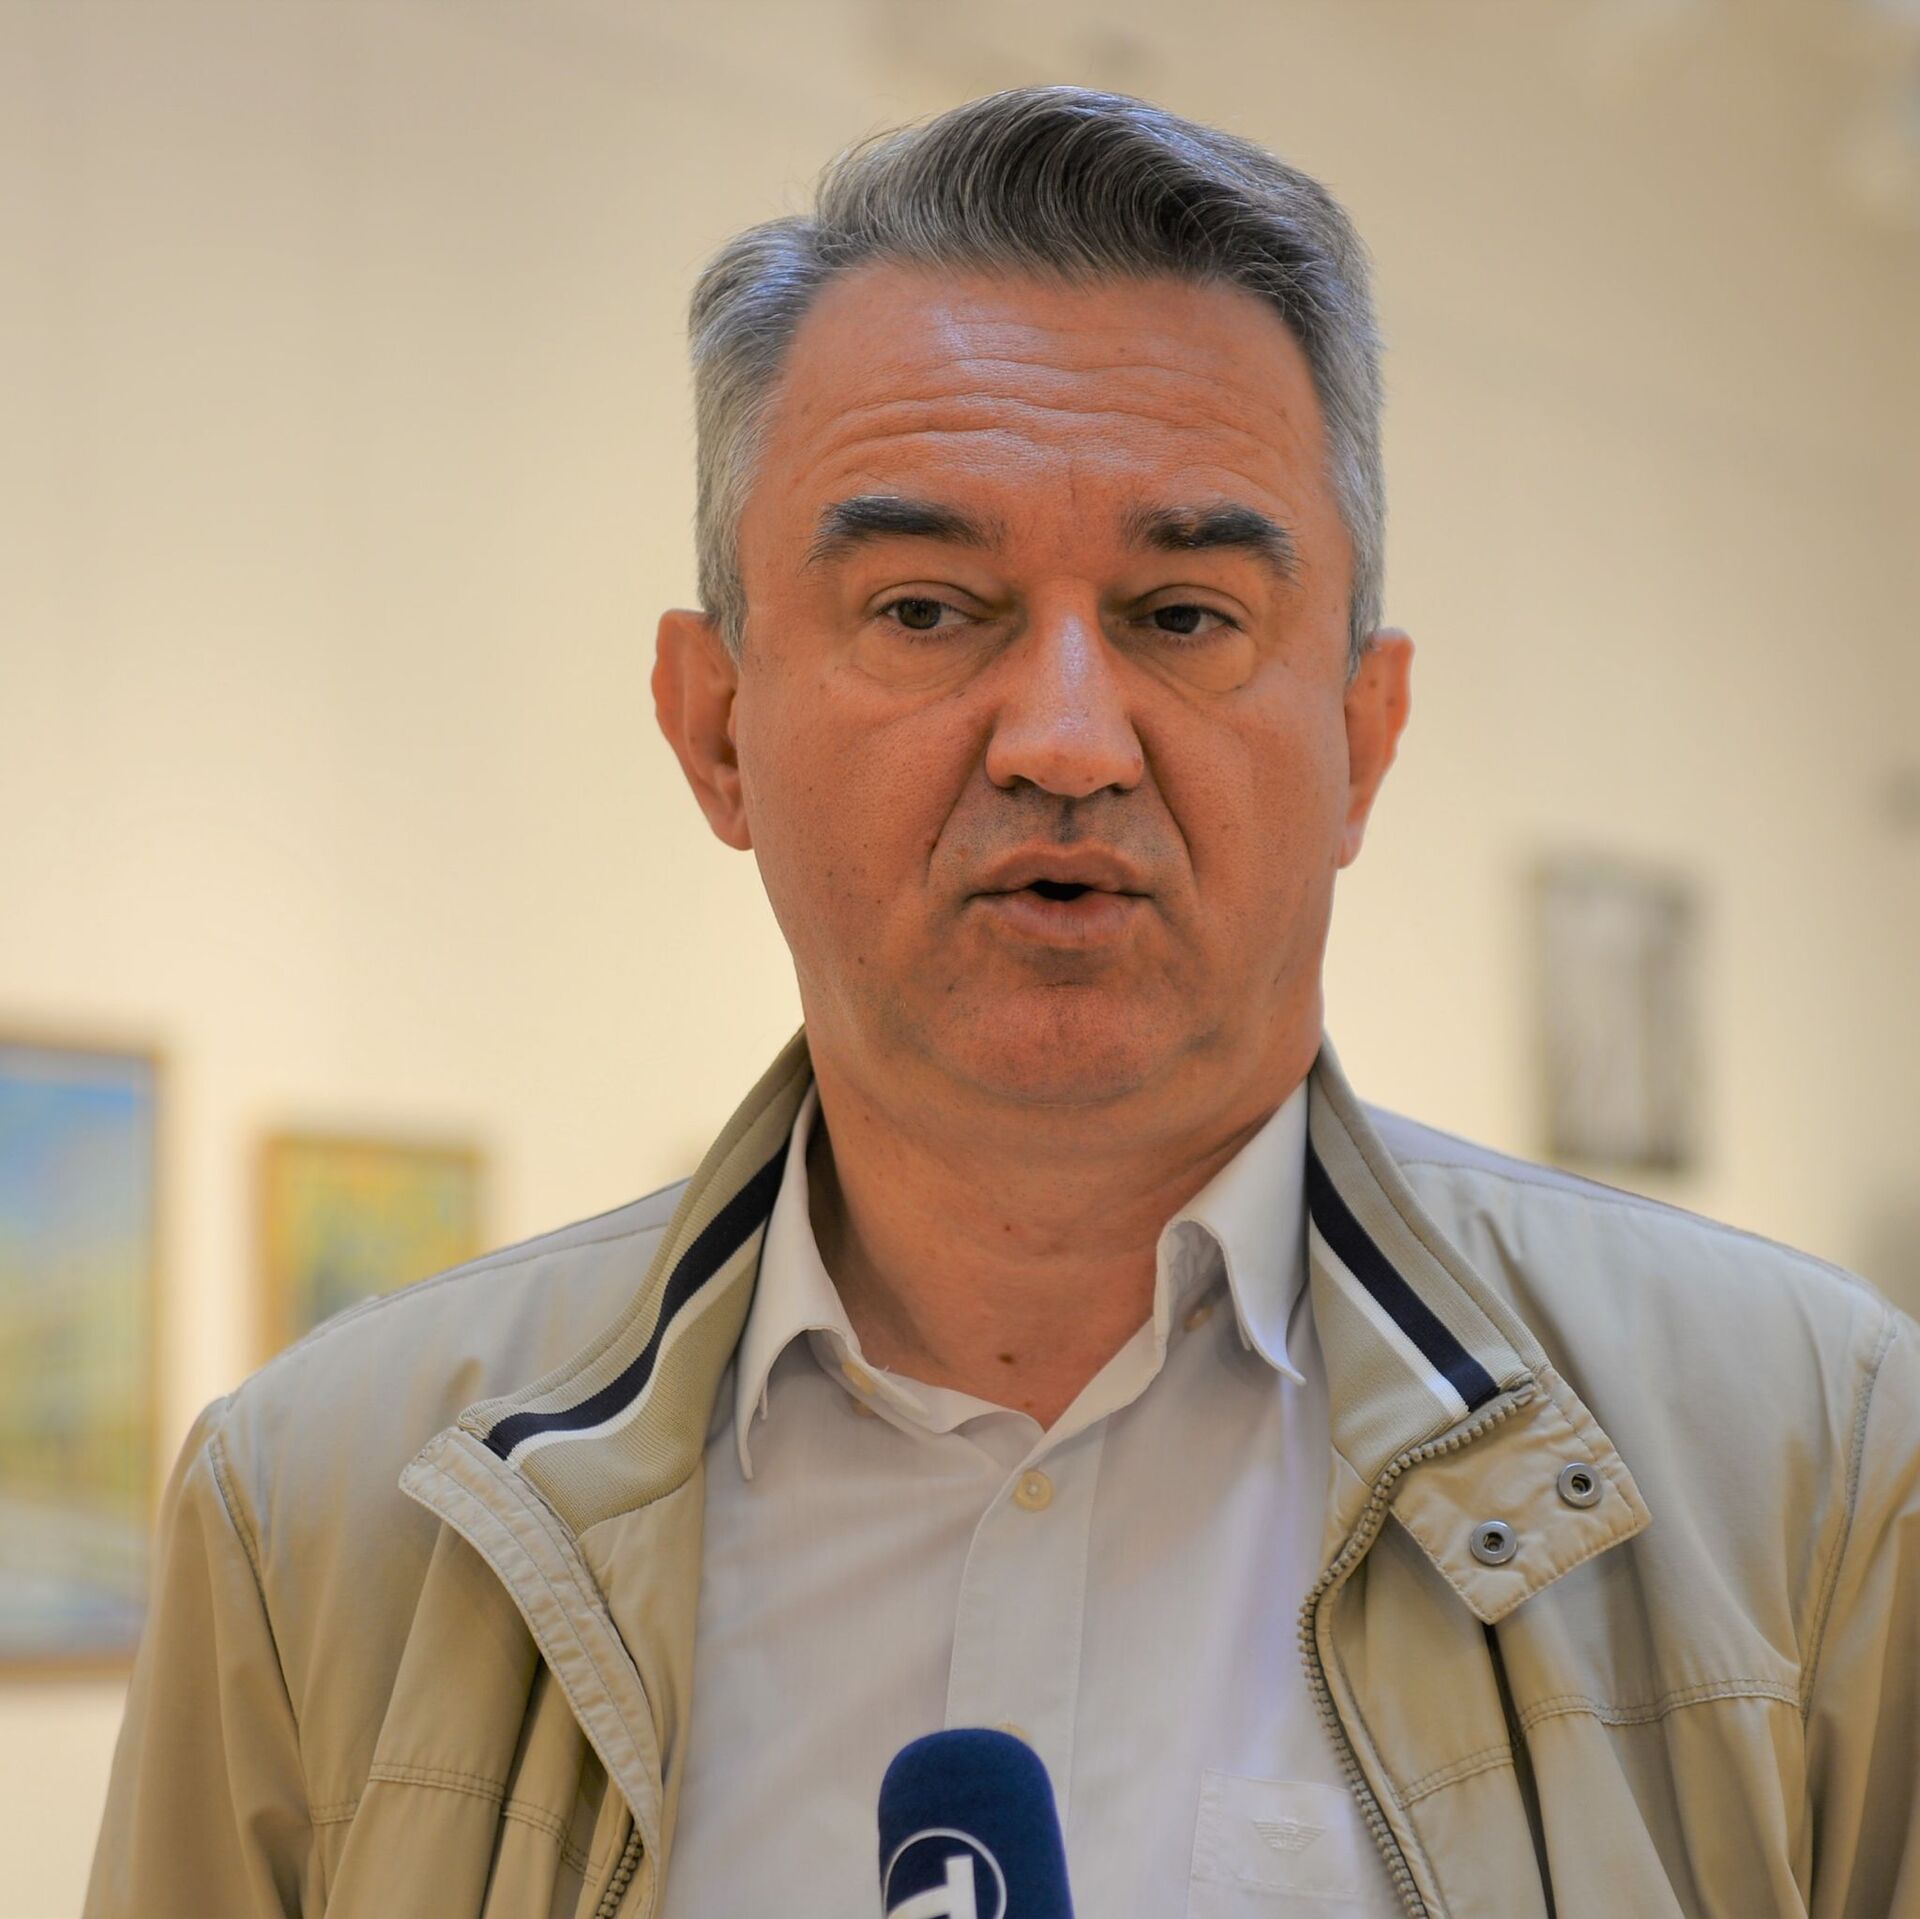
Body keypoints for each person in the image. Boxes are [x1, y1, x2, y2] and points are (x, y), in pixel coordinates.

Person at [86, 87, 1918, 1919]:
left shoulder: (1815, 1473)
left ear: (1364, 739)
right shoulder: (326, 1520)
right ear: (715, 727)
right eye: (925, 609)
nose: (1063, 739)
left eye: (1184, 615)